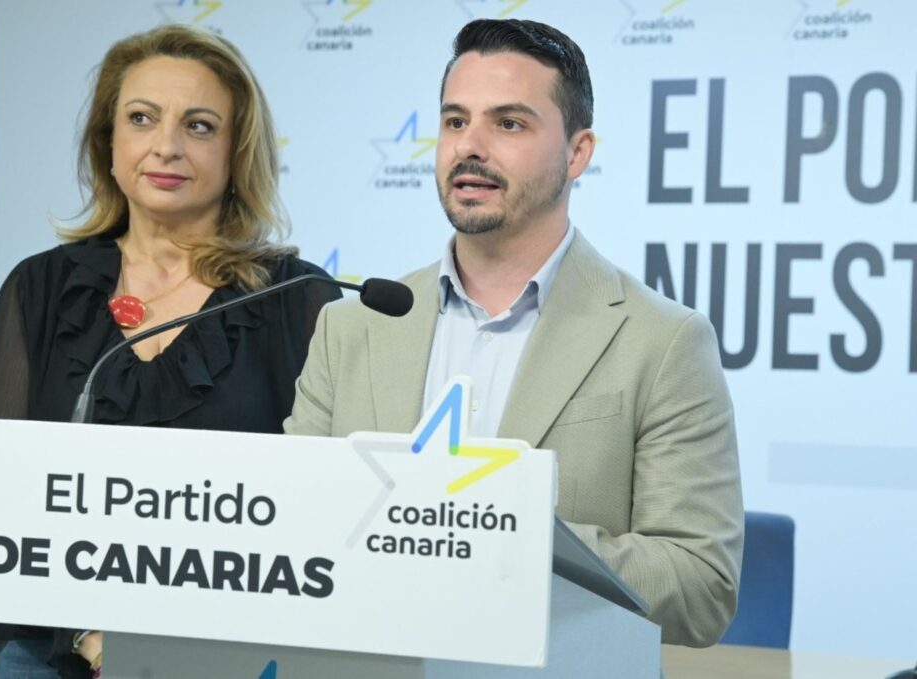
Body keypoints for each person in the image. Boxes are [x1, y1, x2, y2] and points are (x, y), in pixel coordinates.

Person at [285, 18, 744, 647]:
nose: (469, 146)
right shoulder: (351, 325)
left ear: (577, 152)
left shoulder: (662, 342)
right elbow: (290, 526)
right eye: (454, 121)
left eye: (508, 123)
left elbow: (700, 588)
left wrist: (502, 529)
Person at [0, 24, 340, 678]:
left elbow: (321, 520)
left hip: (240, 657)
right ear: (108, 144)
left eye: (199, 126)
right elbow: (8, 503)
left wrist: (170, 649)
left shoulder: (297, 299)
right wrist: (91, 633)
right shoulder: (41, 289)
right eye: (141, 118)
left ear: (236, 152)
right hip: (57, 654)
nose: (166, 145)